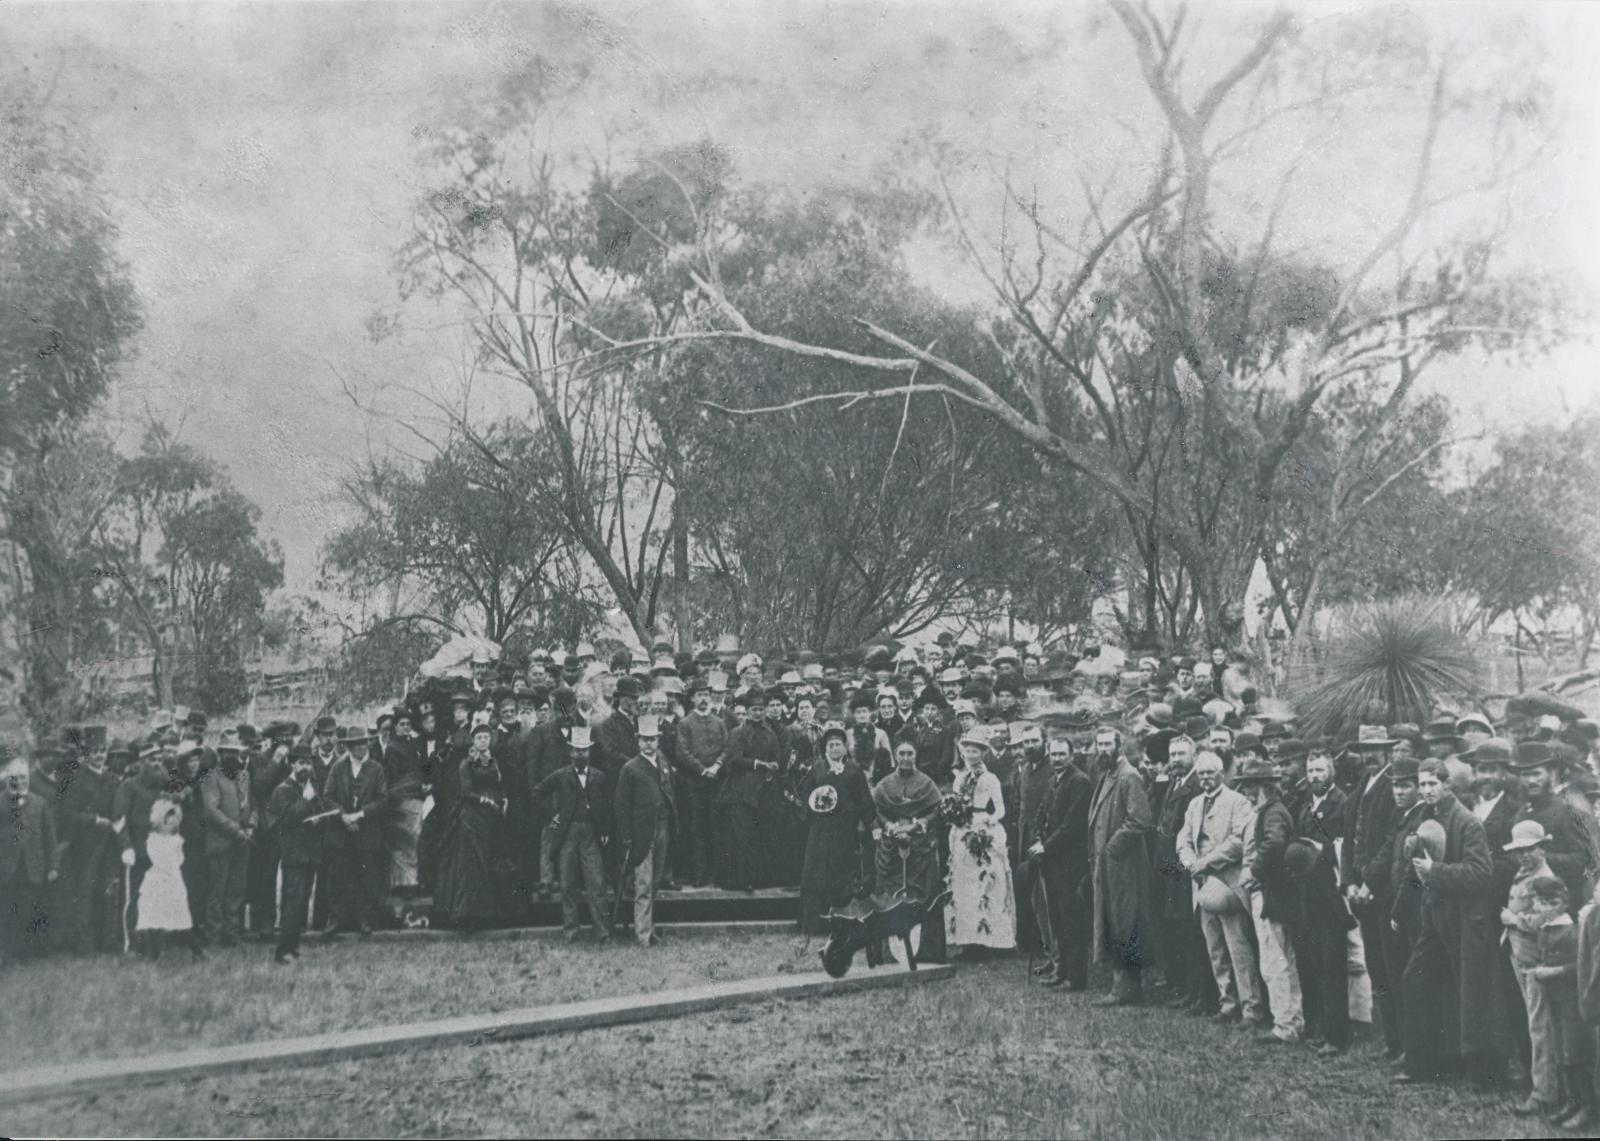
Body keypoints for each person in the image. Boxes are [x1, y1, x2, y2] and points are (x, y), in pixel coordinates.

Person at [1395, 760, 1500, 1087]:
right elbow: (1418, 868)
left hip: (1467, 919)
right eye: (1422, 784)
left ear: (1446, 785)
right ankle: (1422, 1062)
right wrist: (1402, 907)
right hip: (1435, 915)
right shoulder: (1427, 817)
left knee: (1472, 995)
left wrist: (1435, 873)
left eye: (1431, 784)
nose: (1426, 790)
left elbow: (1482, 874)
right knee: (1416, 980)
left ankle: (1480, 1072)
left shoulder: (1467, 822)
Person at [1177, 749, 1262, 1028]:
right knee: (1215, 947)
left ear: (1221, 773)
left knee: (1238, 948)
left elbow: (1239, 842)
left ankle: (1252, 1009)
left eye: (1210, 773)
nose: (1205, 779)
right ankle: (1228, 1003)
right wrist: (1190, 863)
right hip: (1202, 887)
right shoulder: (1194, 805)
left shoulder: (1238, 802)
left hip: (1228, 885)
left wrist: (1206, 863)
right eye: (1201, 774)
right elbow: (1183, 839)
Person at [1236, 755, 1305, 1044]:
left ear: (1263, 786)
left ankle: (1286, 1025)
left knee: (1275, 959)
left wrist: (1254, 870)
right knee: (1281, 957)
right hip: (1275, 892)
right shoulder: (1272, 810)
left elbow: (1274, 842)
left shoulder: (1272, 812)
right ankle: (1291, 1021)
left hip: (1269, 893)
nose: (1247, 792)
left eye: (1250, 786)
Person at [1342, 725, 1401, 1056]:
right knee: (1376, 965)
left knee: (1392, 964)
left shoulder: (1393, 789)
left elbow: (1392, 841)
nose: (1370, 756)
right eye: (1365, 750)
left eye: (1376, 749)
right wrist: (1349, 880)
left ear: (1388, 751)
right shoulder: (1359, 790)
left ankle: (1403, 1041)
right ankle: (1392, 1041)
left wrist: (1368, 882)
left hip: (1384, 890)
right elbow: (1349, 842)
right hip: (1360, 891)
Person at [1088, 726, 1155, 1006]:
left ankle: (1125, 988)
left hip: (1124, 865)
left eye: (1107, 745)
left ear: (1119, 746)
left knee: (1125, 922)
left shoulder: (1128, 777)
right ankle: (1123, 986)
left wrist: (1112, 847)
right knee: (1114, 920)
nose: (1102, 750)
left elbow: (1140, 819)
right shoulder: (1107, 775)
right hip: (1108, 866)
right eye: (1099, 745)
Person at [1295, 748, 1354, 1056]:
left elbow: (1348, 847)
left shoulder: (1341, 804)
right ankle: (1322, 1026)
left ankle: (1337, 1033)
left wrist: (1322, 849)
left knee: (1333, 963)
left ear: (1331, 772)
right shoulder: (1308, 806)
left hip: (1331, 892)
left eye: (1320, 770)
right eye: (1311, 770)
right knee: (1316, 960)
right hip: (1310, 892)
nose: (1314, 776)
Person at [534, 725, 612, 943]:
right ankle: (571, 932)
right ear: (570, 752)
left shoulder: (599, 776)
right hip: (567, 835)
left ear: (589, 752)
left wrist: (604, 829)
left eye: (584, 750)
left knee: (596, 884)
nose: (580, 754)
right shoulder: (560, 775)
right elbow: (538, 792)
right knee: (567, 884)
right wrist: (553, 815)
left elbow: (605, 805)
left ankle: (603, 933)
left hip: (590, 836)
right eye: (576, 750)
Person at [871, 738, 946, 964]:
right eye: (901, 753)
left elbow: (936, 809)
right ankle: (888, 953)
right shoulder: (884, 784)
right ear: (895, 755)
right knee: (888, 898)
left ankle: (926, 951)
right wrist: (888, 826)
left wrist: (917, 824)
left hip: (920, 848)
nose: (905, 758)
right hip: (891, 848)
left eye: (910, 753)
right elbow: (876, 809)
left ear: (916, 756)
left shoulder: (926, 783)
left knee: (923, 896)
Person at [1027, 736, 1093, 990]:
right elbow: (1040, 814)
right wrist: (1036, 839)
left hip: (1070, 862)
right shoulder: (1053, 780)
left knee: (1071, 920)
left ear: (1072, 755)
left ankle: (1075, 978)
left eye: (1061, 754)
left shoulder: (1080, 782)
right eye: (1053, 754)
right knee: (1056, 918)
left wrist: (1046, 846)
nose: (1057, 758)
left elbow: (1071, 825)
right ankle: (1060, 970)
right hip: (1051, 861)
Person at [944, 731, 1017, 954]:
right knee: (964, 885)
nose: (971, 754)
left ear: (982, 753)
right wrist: (955, 817)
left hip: (983, 830)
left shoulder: (990, 779)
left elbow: (1001, 809)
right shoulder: (960, 778)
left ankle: (993, 940)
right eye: (967, 750)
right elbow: (956, 803)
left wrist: (989, 820)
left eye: (975, 751)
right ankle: (969, 940)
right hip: (963, 829)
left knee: (986, 883)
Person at [798, 725, 874, 935]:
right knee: (814, 873)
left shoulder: (853, 770)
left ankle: (841, 923)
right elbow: (805, 794)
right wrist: (810, 811)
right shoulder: (817, 769)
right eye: (830, 745)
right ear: (825, 749)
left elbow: (864, 799)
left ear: (844, 747)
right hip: (820, 830)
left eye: (838, 745)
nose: (834, 749)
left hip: (844, 829)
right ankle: (813, 923)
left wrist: (861, 820)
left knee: (841, 873)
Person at [435, 724, 509, 930]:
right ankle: (468, 915)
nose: (483, 741)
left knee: (489, 860)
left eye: (486, 737)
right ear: (473, 741)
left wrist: (504, 798)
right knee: (472, 865)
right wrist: (486, 801)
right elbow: (466, 792)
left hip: (492, 818)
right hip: (472, 817)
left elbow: (499, 784)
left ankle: (491, 915)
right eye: (479, 738)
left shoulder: (494, 762)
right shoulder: (466, 764)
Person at [615, 714, 675, 947]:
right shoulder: (630, 768)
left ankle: (650, 928)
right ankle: (642, 935)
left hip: (662, 827)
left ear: (658, 740)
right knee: (643, 884)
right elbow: (621, 806)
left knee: (656, 881)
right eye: (644, 739)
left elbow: (671, 793)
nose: (649, 743)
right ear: (638, 741)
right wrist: (628, 838)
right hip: (641, 833)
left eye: (652, 739)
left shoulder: (663, 762)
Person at [323, 729, 389, 935]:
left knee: (366, 878)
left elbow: (383, 799)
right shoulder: (338, 768)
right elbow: (328, 796)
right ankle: (336, 920)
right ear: (349, 747)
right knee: (339, 877)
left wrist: (360, 815)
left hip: (366, 831)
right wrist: (343, 816)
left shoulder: (376, 769)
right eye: (357, 744)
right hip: (342, 833)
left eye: (364, 743)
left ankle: (364, 920)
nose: (362, 747)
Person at [719, 687, 782, 892]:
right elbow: (733, 762)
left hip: (762, 792)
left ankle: (758, 878)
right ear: (747, 711)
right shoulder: (738, 733)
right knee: (741, 838)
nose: (757, 713)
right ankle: (740, 880)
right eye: (754, 709)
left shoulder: (770, 734)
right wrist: (758, 764)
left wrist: (773, 767)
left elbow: (776, 758)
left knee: (758, 835)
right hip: (739, 792)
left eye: (760, 709)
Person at [271, 748, 328, 963]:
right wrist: (305, 801)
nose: (306, 767)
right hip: (294, 854)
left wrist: (319, 816)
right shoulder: (283, 790)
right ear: (291, 764)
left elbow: (319, 809)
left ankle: (292, 946)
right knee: (292, 903)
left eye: (308, 763)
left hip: (310, 853)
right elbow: (285, 819)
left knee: (302, 901)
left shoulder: (310, 786)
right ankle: (283, 949)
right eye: (301, 763)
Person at [0, 755, 59, 966]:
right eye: (14, 778)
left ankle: (26, 953)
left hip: (33, 866)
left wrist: (53, 865)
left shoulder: (39, 803)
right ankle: (8, 953)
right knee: (8, 911)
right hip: (7, 868)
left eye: (23, 778)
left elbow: (50, 838)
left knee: (29, 909)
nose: (19, 782)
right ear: (7, 780)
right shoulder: (1, 802)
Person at [201, 733, 255, 946]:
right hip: (220, 844)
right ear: (220, 754)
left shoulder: (244, 777)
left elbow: (254, 805)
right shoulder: (211, 778)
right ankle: (214, 935)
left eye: (235, 752)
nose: (232, 756)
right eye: (227, 752)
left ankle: (231, 934)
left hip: (243, 844)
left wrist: (251, 826)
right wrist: (235, 830)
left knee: (236, 892)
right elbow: (210, 811)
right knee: (217, 892)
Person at [137, 799, 200, 960]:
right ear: (158, 821)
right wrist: (162, 870)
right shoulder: (152, 840)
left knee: (179, 917)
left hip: (172, 881)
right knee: (152, 916)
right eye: (167, 819)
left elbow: (179, 859)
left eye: (174, 819)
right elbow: (156, 859)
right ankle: (153, 951)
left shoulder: (176, 841)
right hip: (156, 880)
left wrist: (171, 870)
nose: (171, 822)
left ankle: (196, 950)